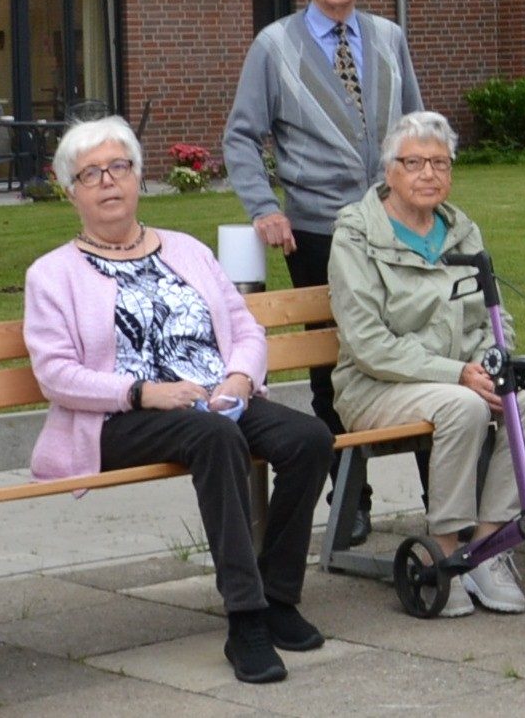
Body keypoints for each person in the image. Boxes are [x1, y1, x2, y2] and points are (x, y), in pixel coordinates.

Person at [24, 117, 333, 684]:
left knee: (309, 438)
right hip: (122, 416)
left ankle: (279, 596)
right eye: (91, 174)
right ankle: (247, 621)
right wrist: (144, 391)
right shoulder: (52, 275)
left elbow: (244, 328)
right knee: (215, 438)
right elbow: (55, 376)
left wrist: (240, 379)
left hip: (215, 398)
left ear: (139, 177)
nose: (109, 182)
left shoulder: (187, 250)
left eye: (120, 167)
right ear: (72, 192)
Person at [223, 0, 424, 545]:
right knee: (332, 368)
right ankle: (350, 498)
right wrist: (264, 206)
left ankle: (442, 496)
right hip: (318, 232)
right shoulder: (274, 46)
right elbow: (240, 136)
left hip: (396, 226)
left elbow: (417, 124)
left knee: (422, 351)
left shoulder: (389, 38)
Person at [328, 111, 525, 616]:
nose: (429, 174)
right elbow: (368, 344)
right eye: (415, 162)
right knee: (463, 408)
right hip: (375, 387)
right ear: (389, 171)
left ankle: (489, 549)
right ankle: (446, 551)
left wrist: (491, 361)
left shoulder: (459, 229)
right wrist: (457, 375)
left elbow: (495, 313)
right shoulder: (357, 234)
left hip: (458, 379)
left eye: (440, 163)